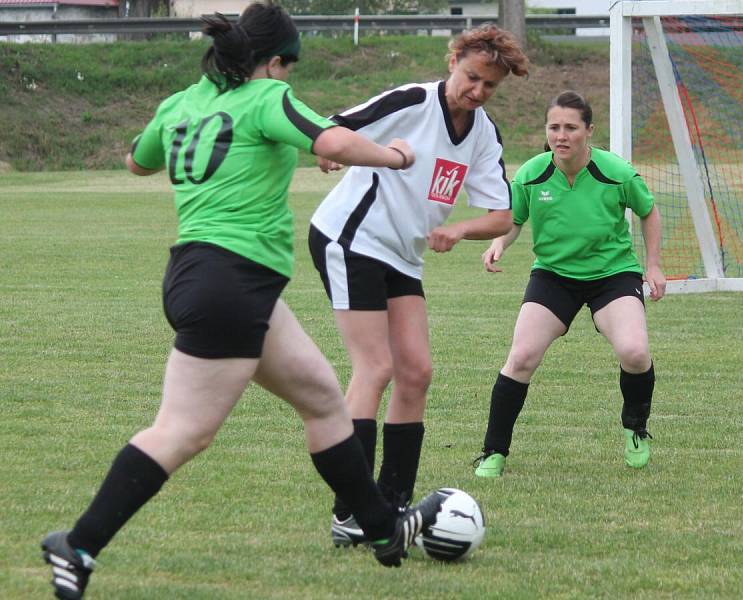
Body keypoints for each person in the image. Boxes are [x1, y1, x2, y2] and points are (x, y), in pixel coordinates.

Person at [39, 4, 445, 598]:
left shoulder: (180, 103)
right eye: (286, 69)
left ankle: (384, 531)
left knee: (322, 397)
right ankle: (77, 545)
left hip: (204, 278)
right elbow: (331, 140)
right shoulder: (265, 98)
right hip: (231, 282)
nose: (287, 80)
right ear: (272, 62)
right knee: (182, 431)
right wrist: (397, 156)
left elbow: (136, 161)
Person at [306, 25, 529, 546]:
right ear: (453, 61)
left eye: (489, 86)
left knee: (417, 372)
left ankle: (393, 505)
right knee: (376, 367)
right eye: (472, 77)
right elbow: (336, 127)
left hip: (402, 256)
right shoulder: (412, 100)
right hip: (351, 238)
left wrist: (460, 228)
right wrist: (330, 150)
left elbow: (501, 214)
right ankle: (350, 514)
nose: (477, 91)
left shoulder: (483, 134)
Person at [473, 90, 667, 478]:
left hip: (613, 275)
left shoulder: (616, 171)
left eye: (570, 128)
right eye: (554, 127)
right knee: (522, 356)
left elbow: (648, 211)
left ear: (589, 131)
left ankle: (635, 428)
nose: (561, 136)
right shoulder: (532, 173)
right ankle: (493, 452)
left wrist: (653, 265)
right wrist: (499, 245)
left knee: (634, 351)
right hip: (553, 276)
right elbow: (513, 221)